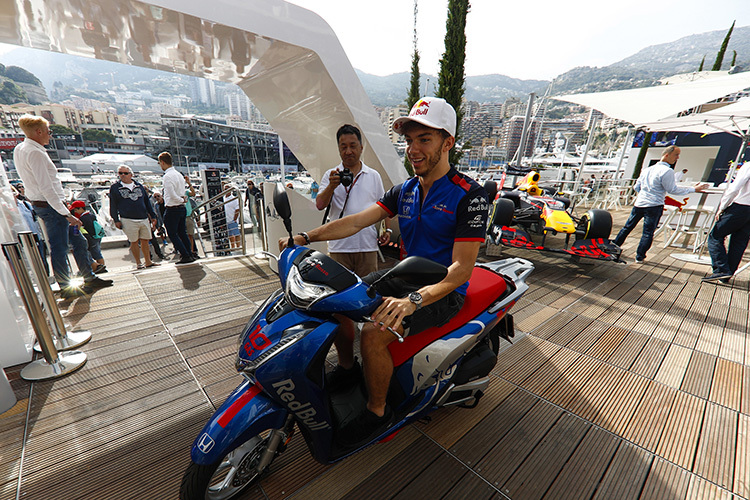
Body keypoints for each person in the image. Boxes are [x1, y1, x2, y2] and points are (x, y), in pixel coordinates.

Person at [279, 97, 489, 444]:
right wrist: (306, 237)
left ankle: (378, 411)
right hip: (406, 274)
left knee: (374, 335)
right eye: (409, 140)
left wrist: (412, 302)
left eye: (424, 139)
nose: (413, 149)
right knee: (336, 298)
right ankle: (348, 369)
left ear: (447, 142)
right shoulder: (404, 190)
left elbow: (461, 270)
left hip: (441, 290)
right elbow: (356, 222)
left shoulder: (469, 195)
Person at [314, 124, 387, 387]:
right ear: (339, 149)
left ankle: (370, 349)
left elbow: (382, 208)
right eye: (343, 146)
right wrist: (331, 186)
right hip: (339, 250)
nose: (348, 151)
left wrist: (385, 230)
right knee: (340, 306)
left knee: (370, 301)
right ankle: (347, 360)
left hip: (367, 247)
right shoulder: (330, 175)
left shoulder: (373, 176)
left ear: (361, 146)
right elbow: (320, 204)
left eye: (352, 145)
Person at [13, 114, 112, 298]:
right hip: (52, 208)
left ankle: (88, 277)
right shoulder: (35, 153)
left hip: (48, 206)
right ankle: (66, 286)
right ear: (39, 132)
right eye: (48, 131)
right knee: (59, 247)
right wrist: (66, 213)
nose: (50, 135)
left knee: (79, 241)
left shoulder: (21, 148)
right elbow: (47, 187)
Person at [613, 146, 708, 263]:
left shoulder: (647, 169)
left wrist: (645, 194)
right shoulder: (667, 171)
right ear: (667, 155)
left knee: (627, 227)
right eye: (676, 155)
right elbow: (672, 190)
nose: (677, 158)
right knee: (647, 232)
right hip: (654, 205)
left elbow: (636, 187)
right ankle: (639, 256)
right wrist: (693, 189)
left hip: (640, 203)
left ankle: (614, 247)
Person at [702, 163, 750, 283]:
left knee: (715, 235)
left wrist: (722, 207)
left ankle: (721, 270)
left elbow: (734, 188)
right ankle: (726, 274)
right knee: (739, 242)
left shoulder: (748, 165)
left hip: (741, 206)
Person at [110, 165, 159, 270]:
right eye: (120, 173)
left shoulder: (139, 186)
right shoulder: (115, 188)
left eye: (125, 173)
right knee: (134, 241)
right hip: (127, 218)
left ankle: (148, 261)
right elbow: (113, 205)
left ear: (131, 175)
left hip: (143, 217)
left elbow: (147, 202)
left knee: (145, 240)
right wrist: (116, 219)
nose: (123, 175)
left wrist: (153, 216)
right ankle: (138, 263)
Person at [159, 151, 195, 264]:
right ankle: (189, 253)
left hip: (173, 208)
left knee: (173, 234)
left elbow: (172, 194)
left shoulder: (167, 176)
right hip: (181, 208)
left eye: (160, 163)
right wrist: (183, 200)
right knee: (182, 233)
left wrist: (181, 200)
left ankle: (184, 255)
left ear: (163, 162)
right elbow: (181, 191)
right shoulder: (179, 174)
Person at [11, 181, 49, 274]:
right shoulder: (6, 209)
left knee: (42, 261)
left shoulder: (26, 205)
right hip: (20, 240)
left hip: (35, 237)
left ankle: (46, 279)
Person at [70, 200, 107, 274]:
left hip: (90, 238)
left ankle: (99, 267)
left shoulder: (83, 219)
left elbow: (78, 229)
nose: (75, 212)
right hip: (96, 236)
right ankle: (100, 267)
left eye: (75, 210)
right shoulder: (91, 215)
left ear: (81, 208)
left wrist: (74, 232)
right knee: (97, 253)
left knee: (93, 254)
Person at [223, 182, 241, 249]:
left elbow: (237, 209)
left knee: (236, 233)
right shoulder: (223, 198)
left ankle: (238, 246)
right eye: (225, 189)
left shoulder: (234, 199)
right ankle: (233, 246)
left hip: (233, 220)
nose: (226, 190)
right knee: (230, 235)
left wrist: (235, 219)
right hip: (226, 219)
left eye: (227, 189)